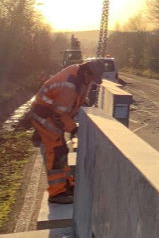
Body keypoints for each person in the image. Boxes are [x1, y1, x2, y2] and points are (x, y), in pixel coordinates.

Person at [30, 61, 104, 204]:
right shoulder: (68, 85)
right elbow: (60, 115)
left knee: (62, 149)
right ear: (88, 73)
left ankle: (67, 184)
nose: (92, 82)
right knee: (56, 152)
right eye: (93, 78)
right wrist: (74, 129)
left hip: (51, 113)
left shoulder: (79, 75)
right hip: (46, 117)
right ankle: (57, 193)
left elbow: (77, 100)